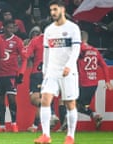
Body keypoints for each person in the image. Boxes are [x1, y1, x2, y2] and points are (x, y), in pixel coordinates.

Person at [34, 1, 81, 144]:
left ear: (62, 9)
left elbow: (76, 50)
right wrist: (45, 72)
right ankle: (46, 136)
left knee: (70, 104)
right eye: (51, 10)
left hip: (68, 72)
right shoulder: (49, 30)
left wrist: (69, 65)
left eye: (55, 9)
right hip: (52, 72)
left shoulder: (73, 28)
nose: (53, 12)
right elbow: (46, 53)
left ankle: (70, 136)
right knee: (45, 100)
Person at [57, 30, 113, 132]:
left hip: (83, 83)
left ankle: (65, 125)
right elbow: (104, 66)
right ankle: (94, 115)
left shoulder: (79, 49)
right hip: (93, 84)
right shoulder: (95, 50)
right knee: (80, 106)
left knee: (65, 101)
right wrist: (107, 81)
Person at [0, 19, 27, 132]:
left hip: (11, 74)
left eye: (12, 27)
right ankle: (2, 126)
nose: (10, 29)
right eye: (8, 27)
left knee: (12, 99)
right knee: (0, 101)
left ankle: (14, 124)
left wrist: (21, 73)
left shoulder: (18, 41)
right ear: (4, 27)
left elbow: (24, 58)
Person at [26, 21, 59, 133]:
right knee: (43, 98)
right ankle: (35, 126)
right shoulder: (56, 41)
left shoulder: (36, 40)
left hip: (38, 74)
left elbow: (26, 54)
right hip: (52, 73)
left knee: (34, 99)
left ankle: (52, 113)